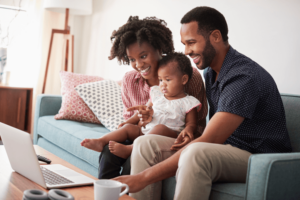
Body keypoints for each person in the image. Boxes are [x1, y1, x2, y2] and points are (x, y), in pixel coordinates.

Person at [113, 6, 293, 200]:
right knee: (145, 144)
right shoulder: (210, 72)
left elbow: (210, 139)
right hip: (226, 148)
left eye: (191, 43)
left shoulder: (242, 77)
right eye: (184, 44)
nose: (187, 51)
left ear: (215, 36)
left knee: (196, 153)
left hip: (259, 157)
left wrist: (142, 178)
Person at [97, 16, 208, 179]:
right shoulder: (129, 80)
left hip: (168, 138)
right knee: (108, 152)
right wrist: (142, 120)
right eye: (132, 59)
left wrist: (186, 134)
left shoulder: (188, 76)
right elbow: (131, 124)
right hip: (141, 133)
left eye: (143, 56)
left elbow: (198, 126)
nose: (139, 65)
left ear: (159, 48)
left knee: (134, 159)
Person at [81, 52, 202, 159]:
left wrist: (188, 129)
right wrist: (129, 122)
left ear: (184, 79)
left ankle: (130, 149)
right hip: (145, 131)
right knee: (128, 128)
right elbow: (144, 110)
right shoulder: (157, 94)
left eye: (168, 80)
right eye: (160, 80)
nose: (163, 85)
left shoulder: (189, 102)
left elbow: (192, 124)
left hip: (168, 135)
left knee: (159, 128)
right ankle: (101, 141)